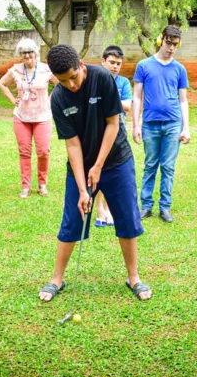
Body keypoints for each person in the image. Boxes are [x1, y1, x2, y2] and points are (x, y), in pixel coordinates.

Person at [38, 44, 152, 302]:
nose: (71, 85)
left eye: (74, 77)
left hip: (116, 160)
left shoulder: (102, 77)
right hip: (81, 165)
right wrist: (82, 188)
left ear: (81, 64)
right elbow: (72, 144)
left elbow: (113, 124)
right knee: (72, 221)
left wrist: (99, 166)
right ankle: (57, 278)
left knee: (126, 218)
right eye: (63, 81)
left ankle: (133, 277)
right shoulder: (58, 98)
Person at [132, 25, 191, 224]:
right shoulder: (143, 65)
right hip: (150, 124)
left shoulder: (180, 69)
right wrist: (135, 125)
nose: (171, 48)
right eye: (168, 43)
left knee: (168, 167)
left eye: (175, 45)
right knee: (150, 165)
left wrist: (186, 127)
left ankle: (165, 207)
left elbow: (183, 100)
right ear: (160, 40)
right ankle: (146, 205)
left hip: (173, 124)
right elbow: (137, 97)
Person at [0, 38, 58, 198]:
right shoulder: (16, 69)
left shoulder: (45, 69)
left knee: (43, 151)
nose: (27, 55)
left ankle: (42, 184)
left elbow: (60, 83)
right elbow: (2, 84)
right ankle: (25, 186)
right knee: (24, 152)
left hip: (43, 116)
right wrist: (13, 100)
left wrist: (51, 99)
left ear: (35, 53)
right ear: (20, 55)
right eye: (24, 52)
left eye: (30, 51)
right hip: (21, 116)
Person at [95, 45, 132, 228]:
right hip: (97, 132)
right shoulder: (94, 80)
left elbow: (128, 106)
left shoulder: (123, 82)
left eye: (118, 63)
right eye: (111, 62)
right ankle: (99, 209)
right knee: (97, 169)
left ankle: (109, 209)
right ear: (103, 62)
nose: (115, 66)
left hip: (118, 134)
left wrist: (106, 100)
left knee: (113, 170)